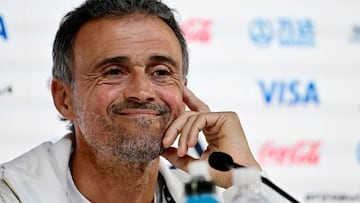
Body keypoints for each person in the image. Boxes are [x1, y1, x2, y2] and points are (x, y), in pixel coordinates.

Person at [0, 0, 288, 202]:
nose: (142, 91)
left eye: (161, 72)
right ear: (64, 99)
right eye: (114, 71)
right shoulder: (11, 193)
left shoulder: (215, 196)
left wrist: (244, 178)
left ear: (183, 92)